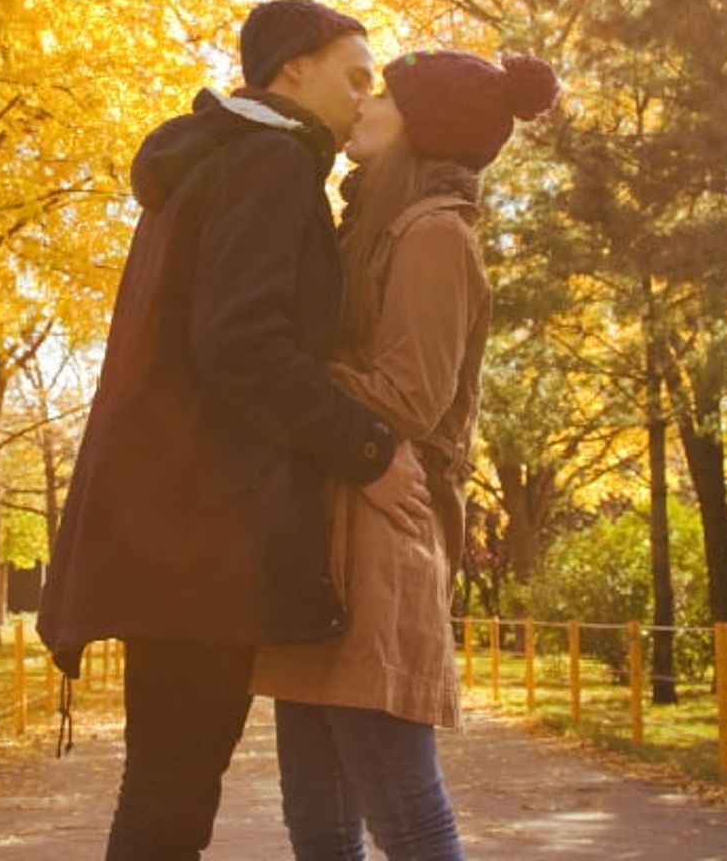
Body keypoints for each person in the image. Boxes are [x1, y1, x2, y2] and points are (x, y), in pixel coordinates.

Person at [37, 0, 431, 861]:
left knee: (164, 789)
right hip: (201, 531)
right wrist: (367, 451)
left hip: (168, 519)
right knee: (171, 800)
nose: (366, 99)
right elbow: (241, 341)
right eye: (354, 76)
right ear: (293, 69)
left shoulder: (215, 162)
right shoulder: (271, 163)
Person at [252, 47, 560, 861]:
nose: (365, 105)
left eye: (384, 93)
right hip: (323, 530)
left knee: (403, 814)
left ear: (424, 128)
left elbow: (412, 397)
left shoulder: (434, 236)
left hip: (382, 535)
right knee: (317, 822)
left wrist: (284, 374)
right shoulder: (371, 226)